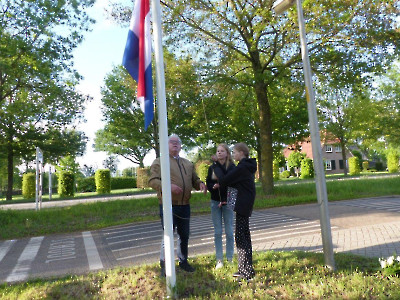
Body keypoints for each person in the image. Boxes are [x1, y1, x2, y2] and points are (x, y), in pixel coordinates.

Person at [148, 134, 207, 276]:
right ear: (166, 145)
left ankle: (184, 261)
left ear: (181, 146)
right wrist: (168, 187)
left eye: (177, 142)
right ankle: (165, 265)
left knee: (184, 235)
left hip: (185, 205)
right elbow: (152, 181)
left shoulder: (187, 163)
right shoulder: (159, 162)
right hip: (168, 205)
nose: (175, 144)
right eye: (172, 142)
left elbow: (194, 179)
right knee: (168, 236)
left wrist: (200, 184)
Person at [211, 142, 257, 281]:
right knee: (243, 236)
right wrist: (228, 201)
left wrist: (216, 164)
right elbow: (234, 184)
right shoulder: (245, 166)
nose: (234, 154)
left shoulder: (242, 167)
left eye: (235, 152)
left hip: (243, 205)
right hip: (243, 204)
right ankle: (246, 268)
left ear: (241, 153)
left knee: (241, 238)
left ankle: (246, 271)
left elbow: (225, 179)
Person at [206, 144, 235, 269]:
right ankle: (219, 259)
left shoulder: (232, 167)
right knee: (217, 232)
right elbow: (209, 182)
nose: (219, 153)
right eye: (218, 151)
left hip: (229, 201)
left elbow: (229, 179)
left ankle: (230, 257)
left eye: (222, 151)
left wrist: (221, 184)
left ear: (227, 153)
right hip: (215, 201)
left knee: (229, 231)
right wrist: (212, 187)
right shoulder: (212, 167)